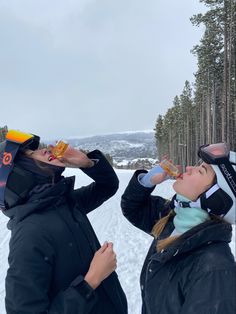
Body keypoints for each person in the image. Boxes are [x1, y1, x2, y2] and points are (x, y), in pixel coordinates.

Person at [0, 130, 127, 314]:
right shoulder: (29, 235)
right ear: (17, 177)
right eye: (28, 155)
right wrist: (90, 281)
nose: (42, 150)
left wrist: (87, 163)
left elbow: (107, 186)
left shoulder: (64, 202)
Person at [121, 142, 236, 314]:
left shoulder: (214, 270)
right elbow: (133, 208)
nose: (189, 168)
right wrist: (147, 181)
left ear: (216, 198)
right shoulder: (174, 218)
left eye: (200, 170)